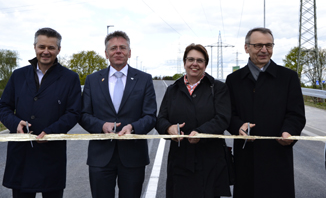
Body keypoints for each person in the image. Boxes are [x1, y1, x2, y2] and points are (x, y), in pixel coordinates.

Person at [0, 27, 82, 198]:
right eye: (42, 46)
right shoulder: (18, 75)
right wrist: (15, 123)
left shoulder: (70, 78)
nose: (46, 51)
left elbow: (74, 112)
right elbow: (3, 107)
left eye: (51, 47)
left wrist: (52, 131)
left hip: (51, 154)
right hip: (22, 154)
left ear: (59, 50)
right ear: (34, 47)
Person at [226, 27, 306, 198]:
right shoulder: (234, 80)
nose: (264, 50)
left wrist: (289, 131)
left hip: (277, 156)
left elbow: (296, 114)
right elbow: (228, 113)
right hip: (245, 156)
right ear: (247, 48)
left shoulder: (288, 77)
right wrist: (237, 126)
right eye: (258, 45)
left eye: (269, 45)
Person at [79, 30, 157, 198]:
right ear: (106, 54)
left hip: (133, 157)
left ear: (129, 52)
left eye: (123, 47)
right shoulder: (92, 80)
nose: (118, 51)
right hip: (100, 157)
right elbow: (83, 114)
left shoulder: (144, 79)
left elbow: (150, 116)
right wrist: (101, 125)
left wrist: (133, 128)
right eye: (113, 48)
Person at [156, 43, 232, 198]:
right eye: (190, 59)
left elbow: (223, 118)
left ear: (205, 64)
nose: (195, 64)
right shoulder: (173, 89)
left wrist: (201, 132)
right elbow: (161, 119)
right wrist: (168, 128)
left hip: (210, 160)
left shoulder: (217, 88)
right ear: (184, 63)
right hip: (180, 159)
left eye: (200, 60)